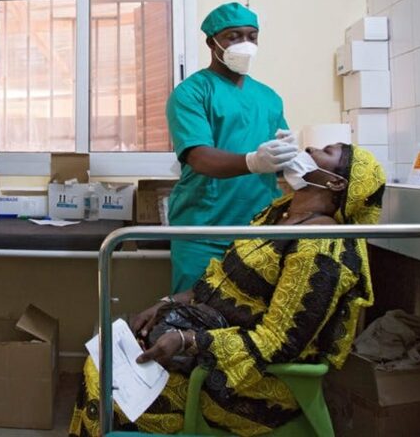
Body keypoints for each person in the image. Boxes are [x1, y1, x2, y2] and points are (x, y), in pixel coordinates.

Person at [70, 143, 385, 437]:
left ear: (336, 184)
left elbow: (278, 343)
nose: (310, 149)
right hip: (217, 348)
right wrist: (165, 303)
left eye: (325, 151)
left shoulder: (321, 248)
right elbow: (223, 281)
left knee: (104, 388)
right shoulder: (277, 216)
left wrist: (188, 340)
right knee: (101, 359)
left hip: (250, 385)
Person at [165, 2, 296, 293]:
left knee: (249, 322)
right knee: (194, 318)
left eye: (252, 36)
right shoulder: (192, 92)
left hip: (257, 230)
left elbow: (280, 156)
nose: (245, 44)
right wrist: (252, 162)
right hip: (203, 231)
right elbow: (198, 157)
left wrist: (294, 160)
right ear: (212, 42)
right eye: (233, 36)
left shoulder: (269, 97)